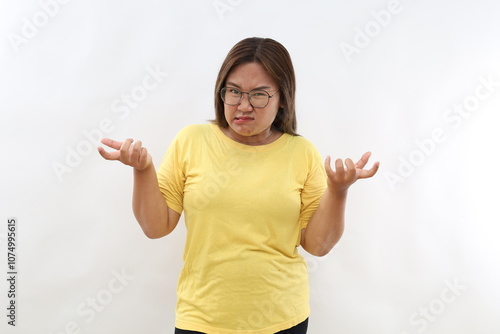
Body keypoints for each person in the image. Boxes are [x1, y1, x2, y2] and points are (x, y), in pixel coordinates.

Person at [98, 37, 379, 334]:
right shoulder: (191, 140)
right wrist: (143, 170)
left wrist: (338, 191)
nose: (243, 106)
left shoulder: (302, 153)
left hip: (282, 319)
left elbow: (318, 245)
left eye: (258, 95)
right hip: (202, 319)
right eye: (233, 92)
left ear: (282, 97)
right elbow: (156, 227)